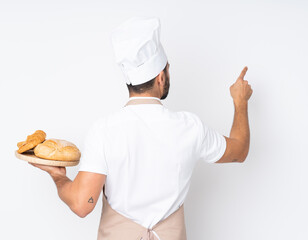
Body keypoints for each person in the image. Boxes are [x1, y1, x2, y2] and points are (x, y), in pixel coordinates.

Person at [29, 16, 253, 240]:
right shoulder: (191, 127)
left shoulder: (104, 130)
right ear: (160, 77)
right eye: (168, 68)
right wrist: (240, 101)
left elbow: (82, 204)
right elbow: (239, 150)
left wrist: (59, 177)